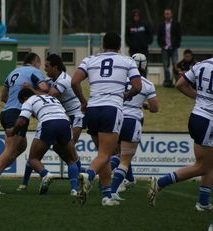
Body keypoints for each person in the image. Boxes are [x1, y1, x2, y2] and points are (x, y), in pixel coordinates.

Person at [71, 32, 142, 206]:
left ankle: (107, 195)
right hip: (112, 108)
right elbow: (138, 86)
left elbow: (74, 82)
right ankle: (87, 176)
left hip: (92, 108)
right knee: (106, 154)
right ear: (119, 46)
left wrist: (83, 101)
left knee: (101, 155)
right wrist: (125, 96)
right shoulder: (127, 61)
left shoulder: (89, 60)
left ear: (103, 45)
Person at [148, 57, 213, 212]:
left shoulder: (203, 64)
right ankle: (160, 182)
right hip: (209, 120)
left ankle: (203, 203)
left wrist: (200, 98)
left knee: (207, 165)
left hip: (198, 116)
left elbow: (180, 84)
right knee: (204, 166)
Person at [16, 54, 84, 192]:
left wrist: (30, 90)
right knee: (59, 151)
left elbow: (49, 96)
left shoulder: (64, 79)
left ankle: (80, 181)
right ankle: (25, 183)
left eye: (47, 67)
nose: (45, 70)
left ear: (55, 67)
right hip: (61, 117)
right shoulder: (50, 79)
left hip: (75, 116)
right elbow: (42, 92)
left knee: (69, 152)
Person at [0, 52, 48, 194]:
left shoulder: (12, 72)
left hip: (6, 112)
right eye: (40, 64)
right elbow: (45, 89)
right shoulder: (34, 71)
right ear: (36, 61)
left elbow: (3, 96)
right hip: (17, 113)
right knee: (11, 149)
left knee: (21, 146)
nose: (41, 67)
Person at [7, 88, 79, 195]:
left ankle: (45, 174)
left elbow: (22, 121)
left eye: (21, 102)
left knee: (33, 159)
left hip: (47, 123)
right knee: (70, 160)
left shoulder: (29, 101)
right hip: (64, 123)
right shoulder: (51, 98)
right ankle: (74, 189)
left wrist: (12, 131)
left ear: (24, 98)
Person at [110, 53, 159, 201]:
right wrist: (144, 104)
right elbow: (155, 108)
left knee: (116, 154)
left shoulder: (118, 80)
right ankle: (112, 191)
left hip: (115, 118)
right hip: (132, 121)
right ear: (145, 66)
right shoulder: (147, 84)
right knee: (125, 158)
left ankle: (95, 174)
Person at [157, 9, 181, 87]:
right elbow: (159, 37)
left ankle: (177, 81)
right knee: (165, 66)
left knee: (175, 65)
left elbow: (179, 35)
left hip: (174, 48)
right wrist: (162, 45)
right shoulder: (161, 25)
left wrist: (176, 45)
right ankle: (167, 81)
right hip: (165, 48)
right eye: (166, 14)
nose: (167, 15)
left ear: (171, 14)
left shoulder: (176, 24)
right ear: (164, 15)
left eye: (169, 14)